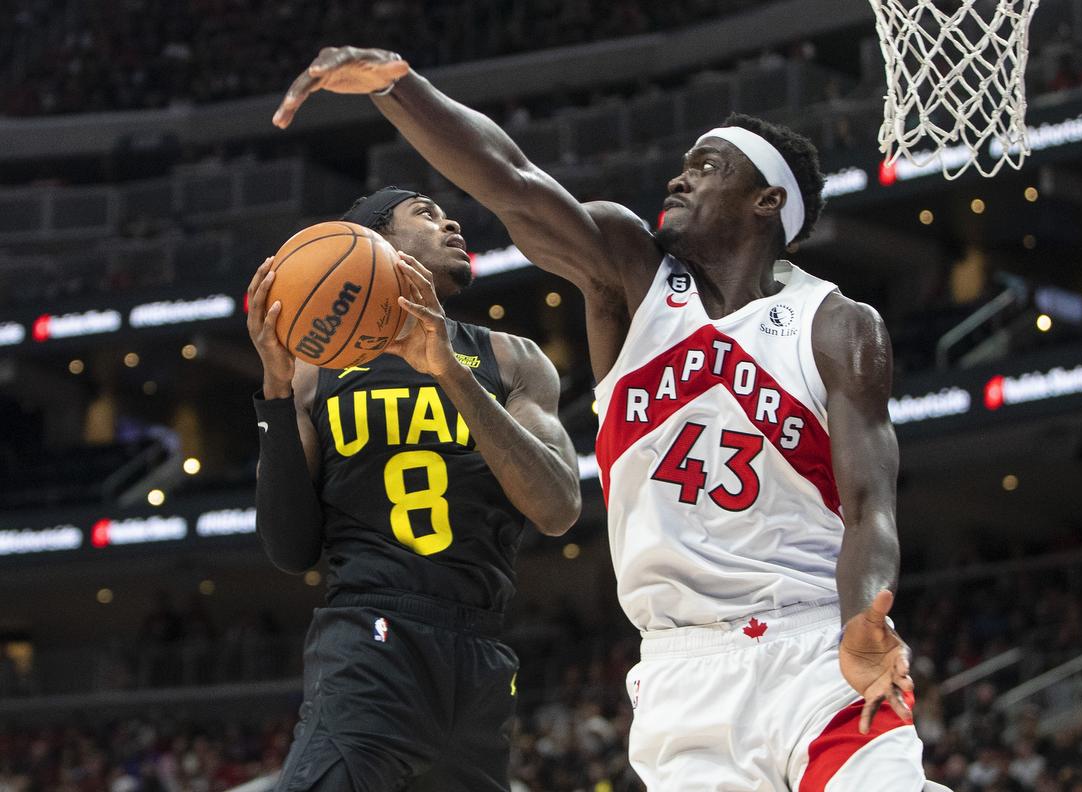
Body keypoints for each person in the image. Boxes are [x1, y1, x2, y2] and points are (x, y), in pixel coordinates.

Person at [273, 48, 928, 790]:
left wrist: (864, 623)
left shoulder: (837, 325)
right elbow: (512, 183)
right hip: (683, 670)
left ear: (767, 201)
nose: (680, 177)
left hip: (816, 642)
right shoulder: (631, 277)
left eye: (708, 167)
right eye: (685, 163)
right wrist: (400, 88)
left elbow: (871, 506)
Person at [246, 186, 581, 791]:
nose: (451, 221)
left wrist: (449, 372)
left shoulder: (512, 359)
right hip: (370, 636)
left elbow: (558, 508)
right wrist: (273, 391)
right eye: (424, 213)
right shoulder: (309, 377)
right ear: (373, 245)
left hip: (480, 652)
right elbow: (289, 549)